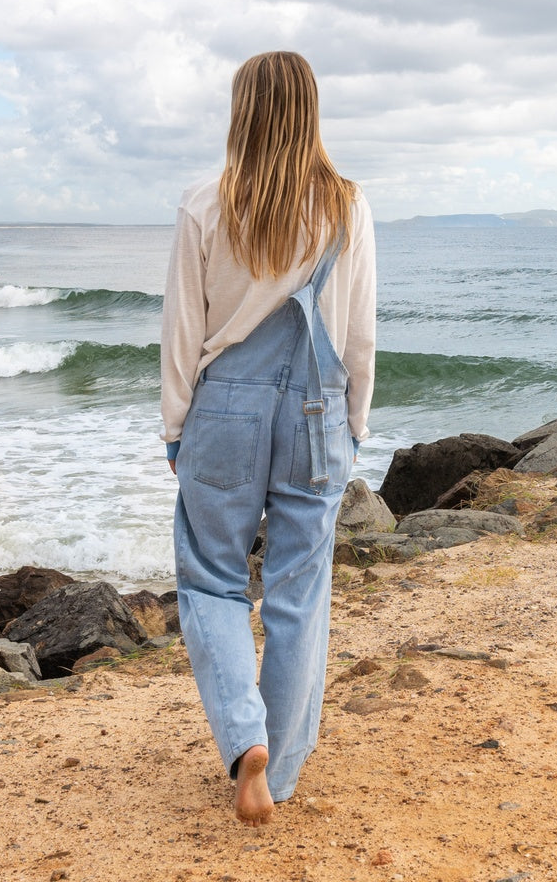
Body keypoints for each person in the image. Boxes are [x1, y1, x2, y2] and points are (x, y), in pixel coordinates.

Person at [160, 52, 376, 826]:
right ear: (310, 111)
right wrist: (352, 428)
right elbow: (359, 337)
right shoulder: (347, 205)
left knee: (211, 581)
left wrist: (176, 428)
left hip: (226, 411)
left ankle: (242, 737)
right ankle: (276, 773)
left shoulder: (204, 204)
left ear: (241, 109)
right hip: (317, 415)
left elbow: (184, 330)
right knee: (296, 592)